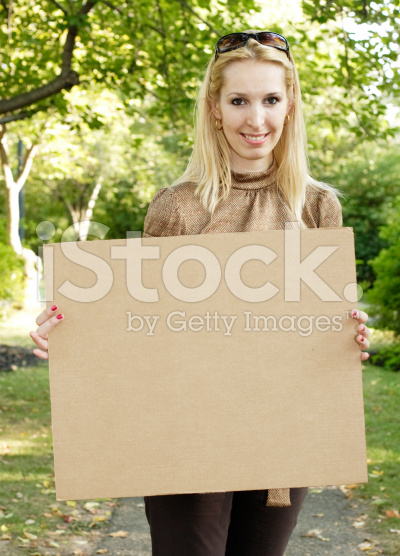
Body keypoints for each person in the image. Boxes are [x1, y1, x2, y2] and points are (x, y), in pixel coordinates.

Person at [30, 30, 372, 556]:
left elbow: (321, 321)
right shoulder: (177, 208)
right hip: (183, 432)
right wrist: (75, 342)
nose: (256, 119)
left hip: (281, 428)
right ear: (215, 108)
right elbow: (138, 328)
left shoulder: (318, 207)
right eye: (239, 101)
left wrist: (346, 337)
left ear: (290, 104)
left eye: (270, 100)